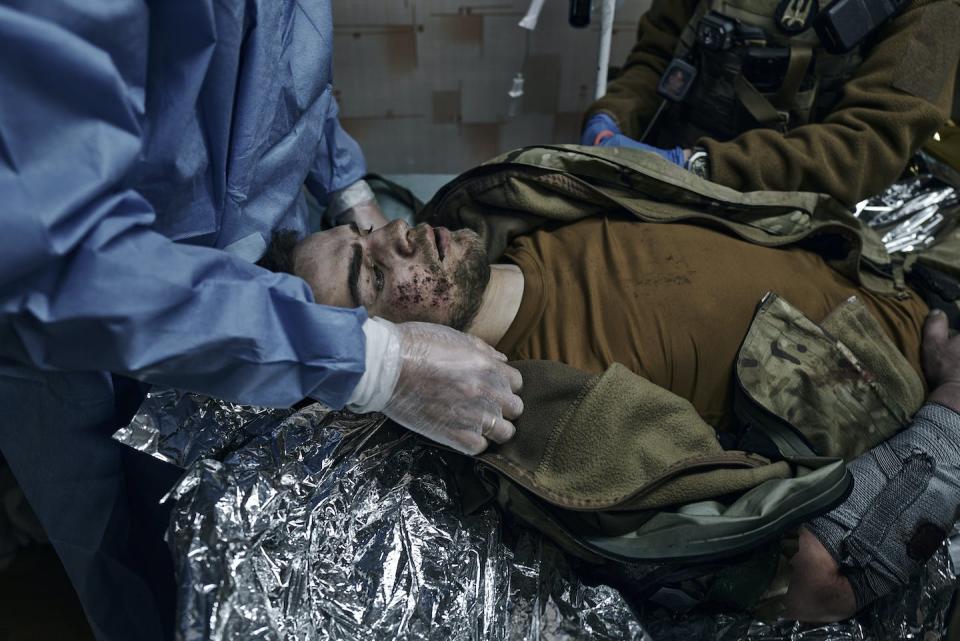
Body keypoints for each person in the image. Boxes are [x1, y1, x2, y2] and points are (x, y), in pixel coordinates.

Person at [0, 3, 521, 641]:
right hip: (80, 328)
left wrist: (345, 183)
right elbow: (61, 262)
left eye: (377, 271)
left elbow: (287, 69)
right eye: (366, 273)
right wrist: (375, 363)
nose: (393, 235)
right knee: (120, 551)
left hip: (270, 307)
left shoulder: (314, 277)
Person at [259, 215, 960, 622]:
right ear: (395, 358)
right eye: (373, 277)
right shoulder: (558, 426)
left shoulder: (521, 207)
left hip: (900, 260)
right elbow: (823, 577)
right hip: (927, 372)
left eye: (366, 228)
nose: (397, 238)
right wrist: (953, 407)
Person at [581, 0, 960, 206]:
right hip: (652, 173)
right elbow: (659, 52)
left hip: (787, 212)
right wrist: (611, 117)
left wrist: (698, 169)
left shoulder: (934, 11)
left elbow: (866, 148)